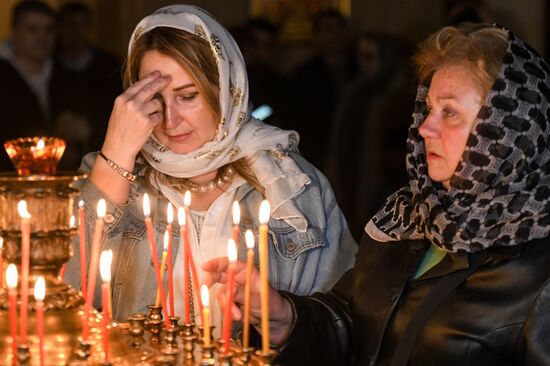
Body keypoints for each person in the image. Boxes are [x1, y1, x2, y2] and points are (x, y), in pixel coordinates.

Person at [204, 23, 550, 365]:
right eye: (428, 108)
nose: (425, 127)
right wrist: (282, 315)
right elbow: (350, 321)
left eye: (450, 113)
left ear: (510, 132)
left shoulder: (538, 266)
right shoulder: (405, 218)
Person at [64, 4, 357, 336]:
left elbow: (342, 325)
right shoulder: (115, 174)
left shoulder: (291, 183)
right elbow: (63, 294)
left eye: (187, 96)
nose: (170, 120)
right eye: (154, 99)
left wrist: (284, 317)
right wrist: (115, 154)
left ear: (228, 89)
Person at [54, 1, 122, 170]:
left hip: (102, 150)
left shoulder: (107, 63)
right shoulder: (50, 64)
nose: (76, 31)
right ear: (60, 27)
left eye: (81, 24)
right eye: (71, 24)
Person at [0, 0, 58, 171]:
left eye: (49, 30)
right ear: (15, 32)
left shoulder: (63, 74)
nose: (42, 37)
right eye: (32, 29)